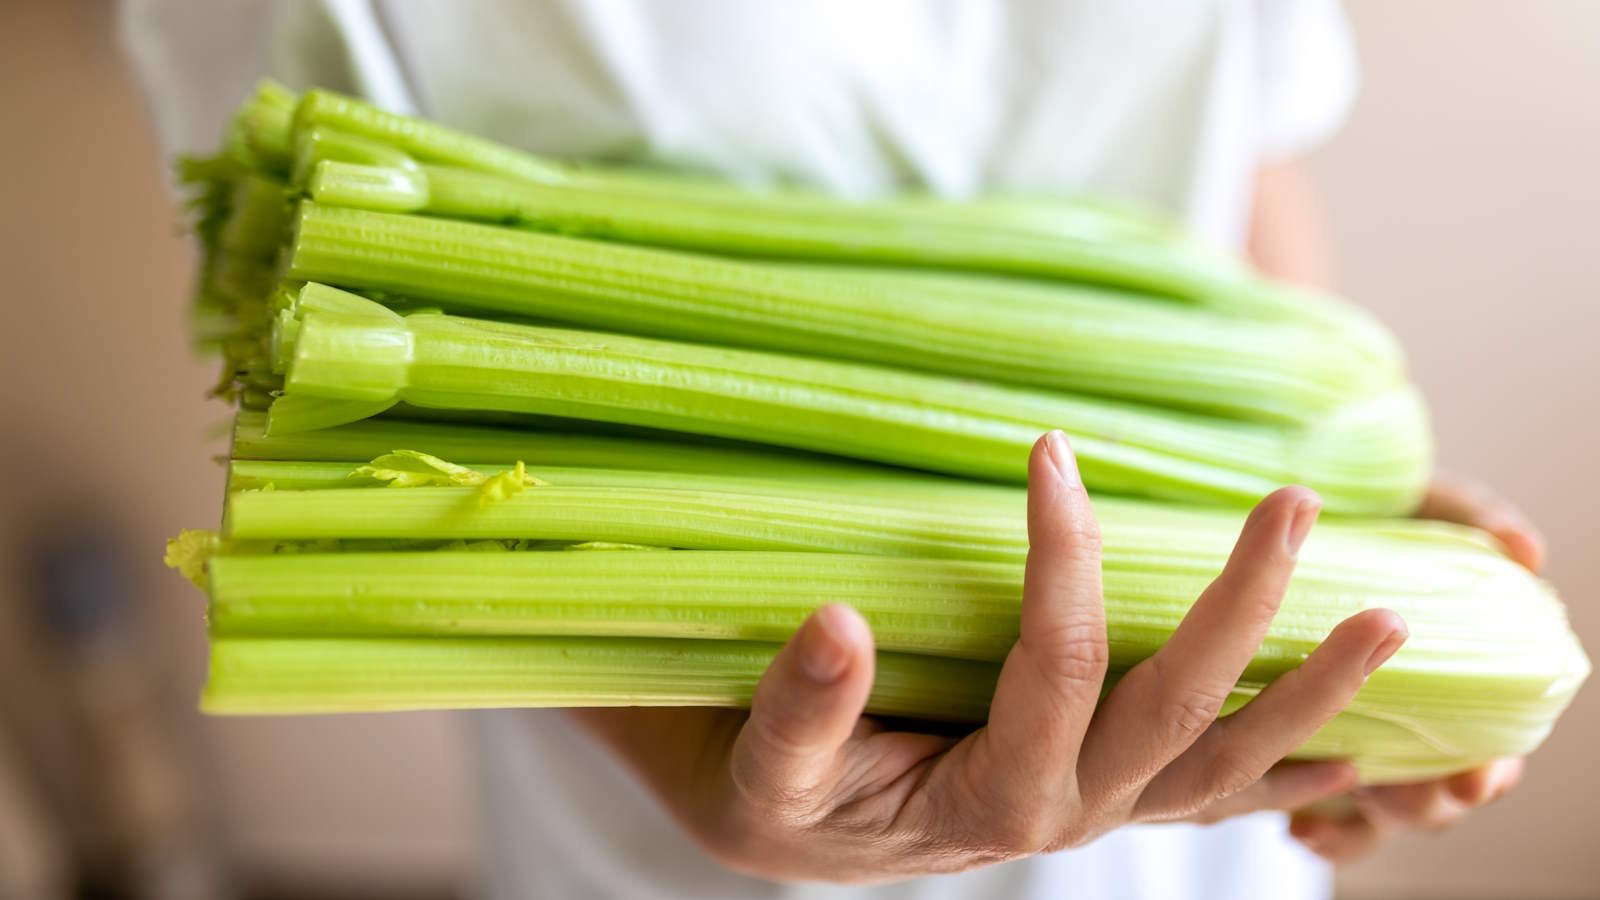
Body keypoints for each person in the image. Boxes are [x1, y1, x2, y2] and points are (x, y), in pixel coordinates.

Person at [121, 1, 1546, 896]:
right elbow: (306, 341)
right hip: (685, 844)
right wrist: (706, 781)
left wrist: (1327, 530)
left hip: (1196, 836)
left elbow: (1236, 152)